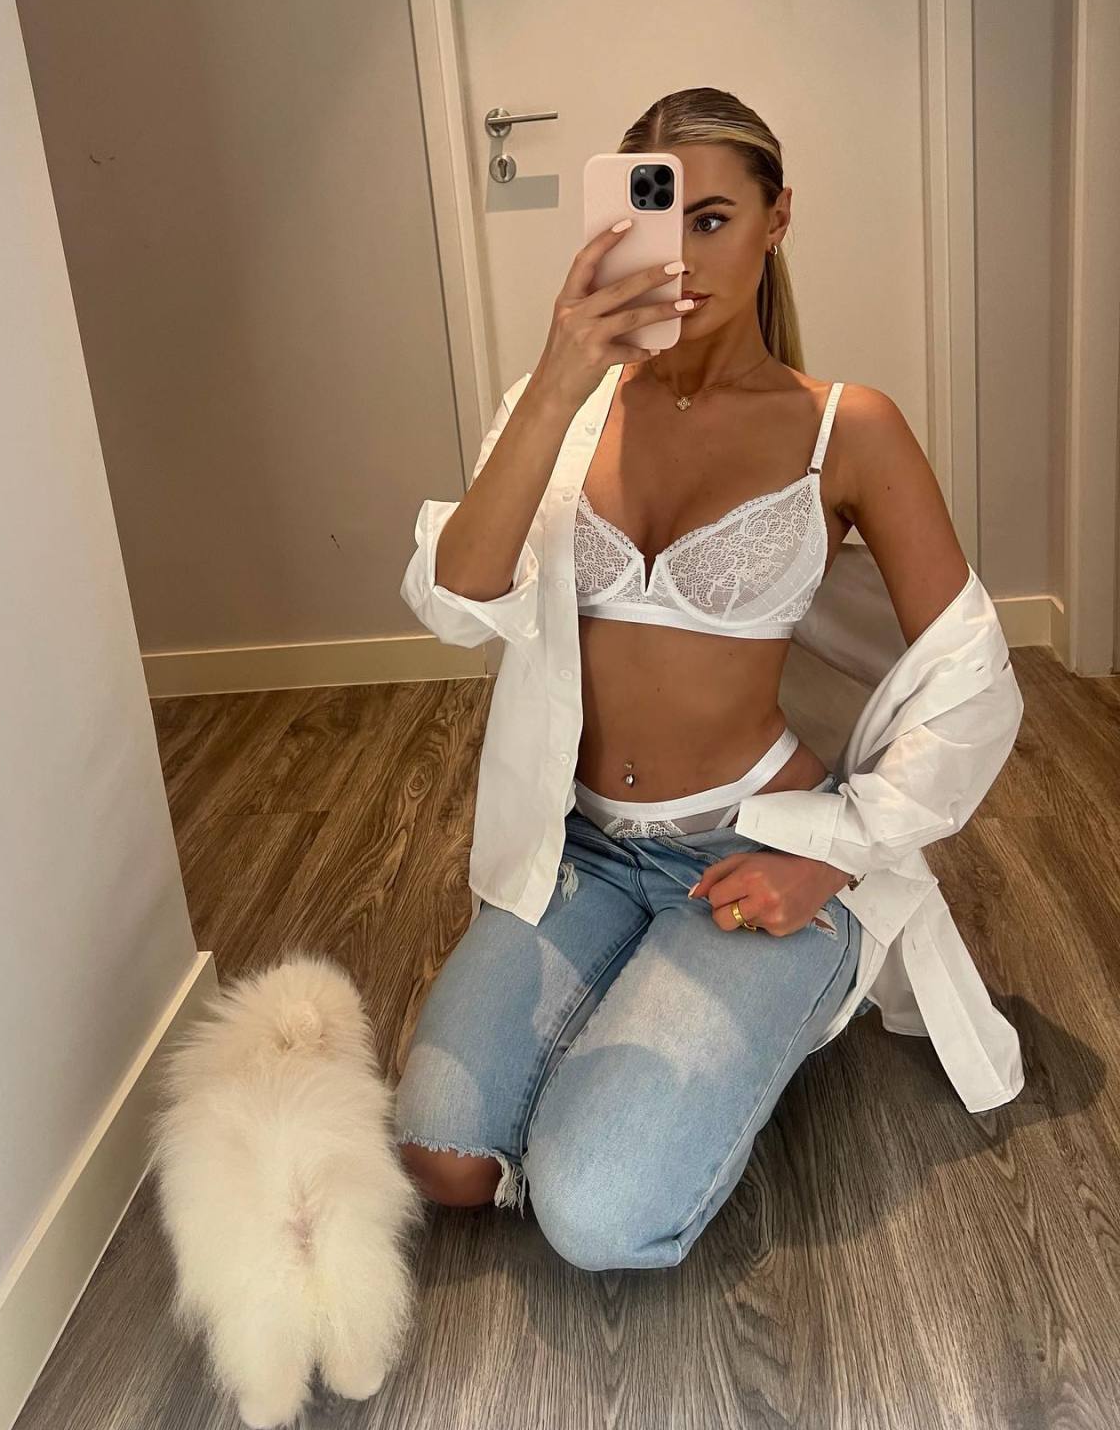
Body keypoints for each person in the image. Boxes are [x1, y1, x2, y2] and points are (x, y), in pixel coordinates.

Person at [392, 87, 1007, 1273]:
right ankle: (660, 1014)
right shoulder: (560, 411)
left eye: (713, 218)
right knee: (442, 1162)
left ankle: (780, 989)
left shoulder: (844, 428)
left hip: (754, 846)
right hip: (577, 848)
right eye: (654, 219)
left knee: (593, 1214)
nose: (680, 256)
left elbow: (972, 679)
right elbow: (454, 602)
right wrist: (557, 380)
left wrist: (829, 857)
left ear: (777, 219)